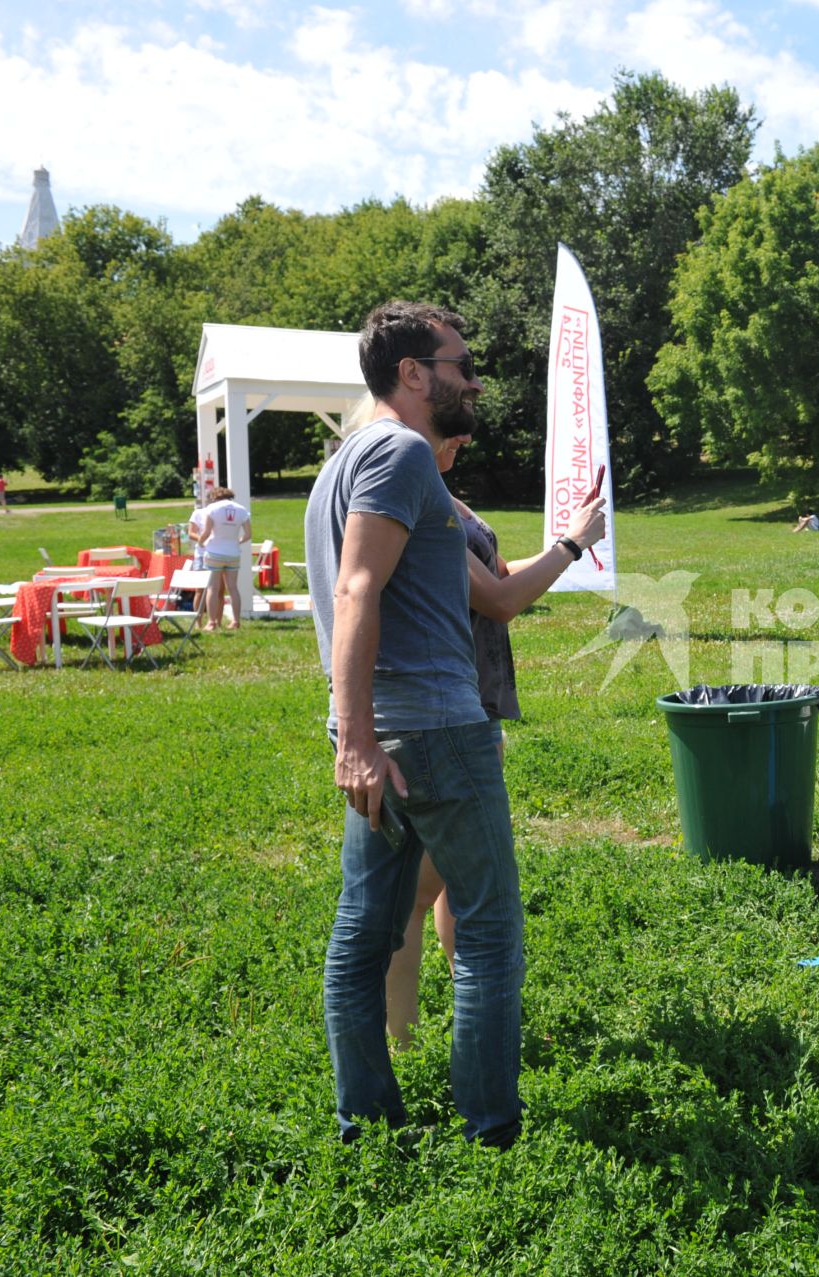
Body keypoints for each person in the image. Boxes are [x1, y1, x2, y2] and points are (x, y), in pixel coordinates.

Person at [304, 300, 548, 1147]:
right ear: (413, 372)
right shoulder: (402, 451)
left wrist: (354, 735)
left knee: (364, 930)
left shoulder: (341, 464)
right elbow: (356, 590)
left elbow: (480, 594)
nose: (471, 379)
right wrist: (359, 736)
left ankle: (364, 1124)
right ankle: (492, 1130)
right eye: (459, 362)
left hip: (382, 738)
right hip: (435, 732)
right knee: (486, 929)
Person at [384, 422, 607, 1049]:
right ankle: (401, 1046)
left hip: (476, 705)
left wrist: (573, 538)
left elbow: (507, 575)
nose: (465, 440)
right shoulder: (416, 500)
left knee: (457, 878)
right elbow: (501, 600)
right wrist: (570, 544)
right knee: (414, 891)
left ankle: (472, 1017)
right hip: (443, 709)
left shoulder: (448, 496)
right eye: (450, 431)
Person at [195, 487, 251, 630]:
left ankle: (212, 622)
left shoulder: (212, 509)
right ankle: (236, 621)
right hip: (233, 553)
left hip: (215, 552)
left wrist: (201, 542)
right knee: (233, 588)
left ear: (215, 497)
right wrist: (236, 541)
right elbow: (248, 534)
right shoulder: (242, 509)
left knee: (213, 589)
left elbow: (207, 532)